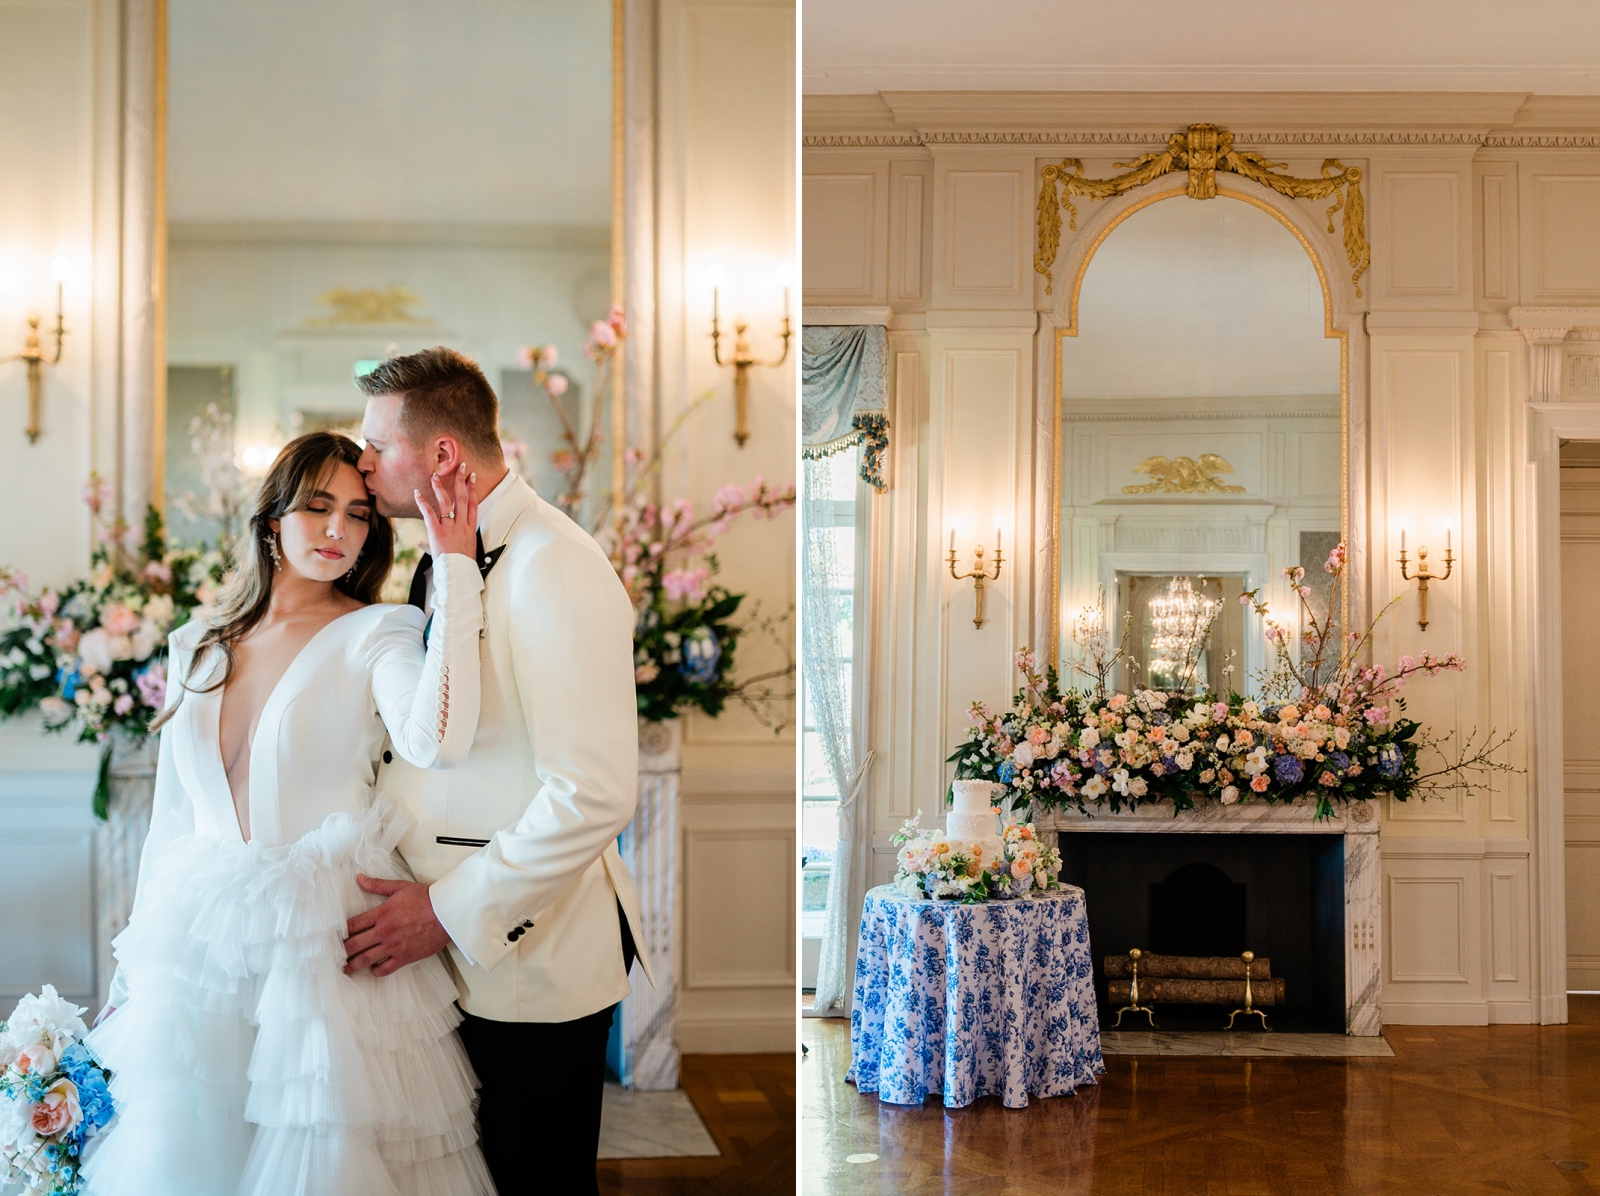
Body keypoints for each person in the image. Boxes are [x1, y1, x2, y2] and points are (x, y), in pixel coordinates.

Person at [84, 431, 495, 1196]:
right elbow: (170, 824)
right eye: (317, 507)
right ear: (272, 519)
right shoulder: (197, 643)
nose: (340, 530)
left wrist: (456, 564)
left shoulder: (379, 633)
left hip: (323, 948)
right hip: (198, 949)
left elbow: (438, 738)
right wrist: (128, 981)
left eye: (360, 514)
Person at [343, 346, 652, 1196]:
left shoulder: (556, 566)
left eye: (378, 445)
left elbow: (592, 794)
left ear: (443, 455)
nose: (363, 463)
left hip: (526, 966)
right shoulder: (441, 555)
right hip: (451, 966)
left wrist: (444, 912)